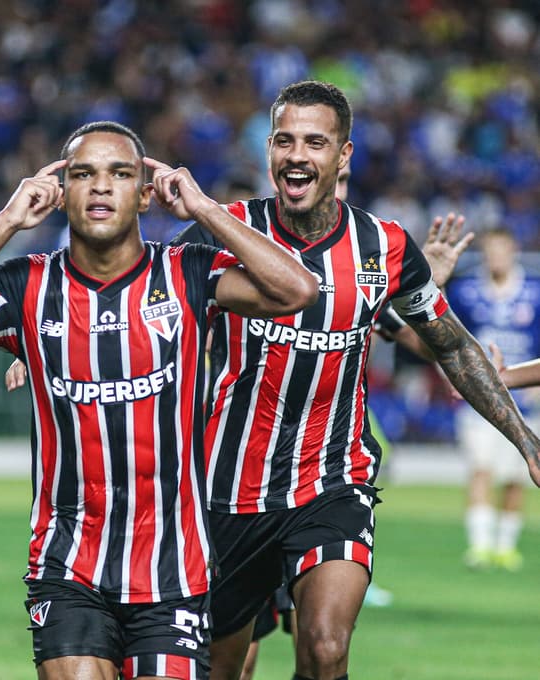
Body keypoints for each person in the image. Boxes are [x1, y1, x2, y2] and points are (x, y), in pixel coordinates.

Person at [0, 120, 318, 680]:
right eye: (83, 174)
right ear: (61, 191)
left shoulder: (187, 273)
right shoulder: (28, 285)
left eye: (120, 174)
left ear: (145, 194)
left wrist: (204, 210)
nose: (101, 187)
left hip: (172, 571)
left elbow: (297, 290)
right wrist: (5, 222)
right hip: (69, 563)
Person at [171, 80, 540, 680]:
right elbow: (143, 302)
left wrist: (525, 439)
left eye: (315, 142)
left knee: (325, 646)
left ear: (343, 156)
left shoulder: (385, 246)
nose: (298, 154)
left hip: (333, 480)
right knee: (220, 664)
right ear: (268, 149)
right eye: (284, 141)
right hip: (228, 486)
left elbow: (452, 346)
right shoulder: (225, 231)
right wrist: (43, 348)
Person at [445, 227, 540, 571]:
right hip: (478, 396)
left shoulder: (534, 292)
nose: (495, 257)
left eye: (501, 250)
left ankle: (505, 547)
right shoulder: (466, 291)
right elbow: (448, 338)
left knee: (518, 475)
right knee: (480, 468)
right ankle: (481, 546)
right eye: (490, 250)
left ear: (513, 251)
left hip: (529, 401)